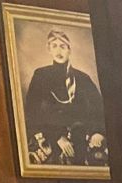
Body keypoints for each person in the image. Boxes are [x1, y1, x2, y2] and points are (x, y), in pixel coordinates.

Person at [22, 27, 105, 167]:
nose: (58, 51)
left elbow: (100, 110)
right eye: (54, 46)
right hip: (51, 138)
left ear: (69, 50)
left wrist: (98, 132)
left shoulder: (83, 78)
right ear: (49, 49)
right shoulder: (41, 75)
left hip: (83, 139)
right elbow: (32, 112)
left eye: (63, 46)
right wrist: (57, 137)